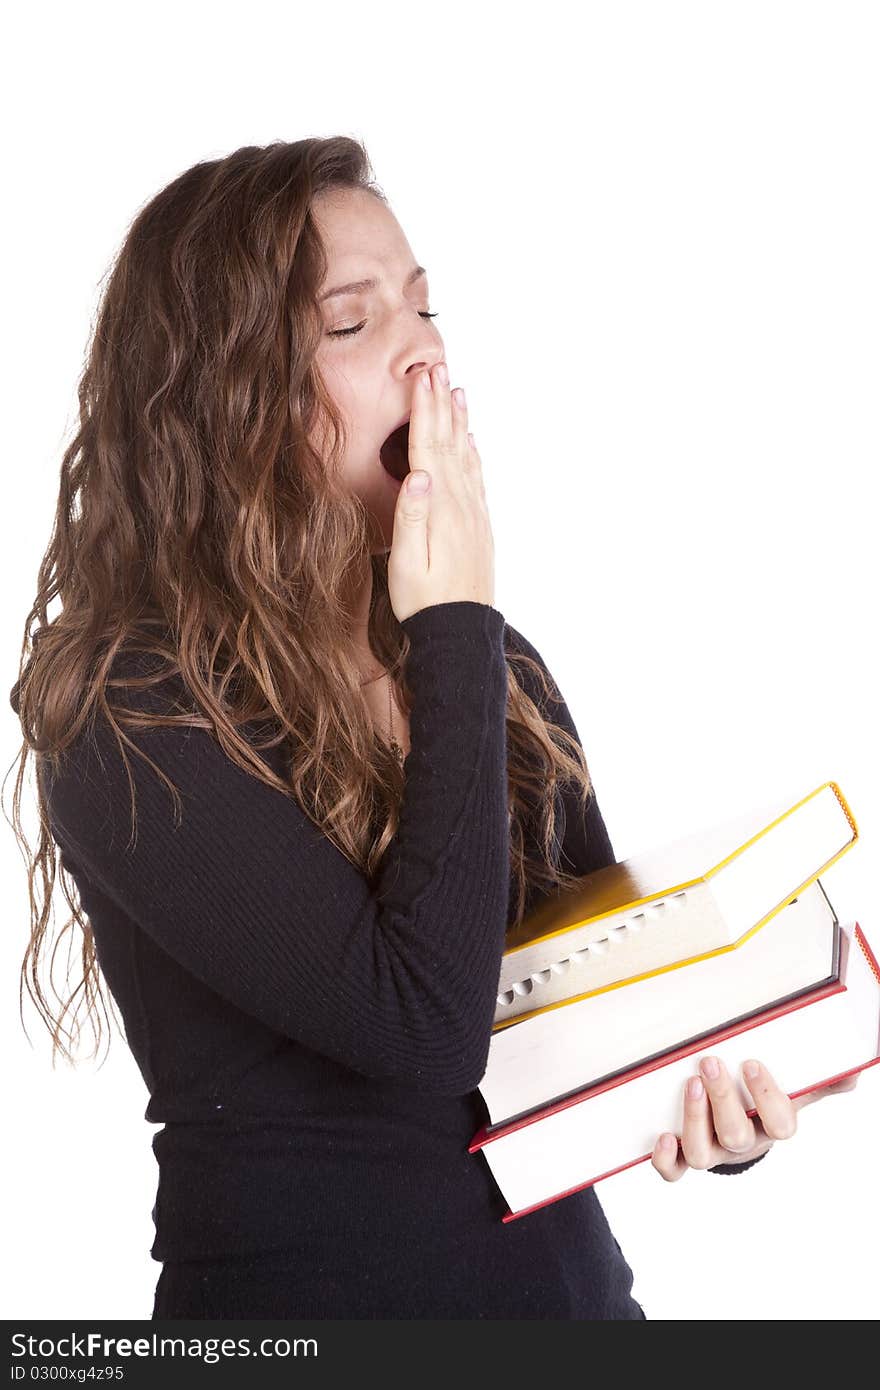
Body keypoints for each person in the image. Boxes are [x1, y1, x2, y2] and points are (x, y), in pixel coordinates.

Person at [8, 137, 857, 1321]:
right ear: (224, 396)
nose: (426, 349)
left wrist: (714, 1101)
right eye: (353, 323)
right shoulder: (129, 711)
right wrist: (455, 620)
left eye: (424, 304)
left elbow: (592, 998)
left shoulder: (486, 665)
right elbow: (422, 1030)